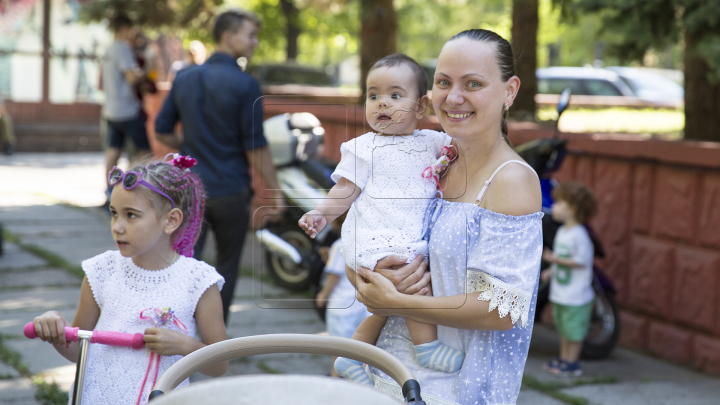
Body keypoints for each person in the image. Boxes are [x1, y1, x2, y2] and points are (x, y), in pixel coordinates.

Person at [344, 29, 544, 405]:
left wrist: (397, 303)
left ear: (509, 90)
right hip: (390, 372)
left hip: (457, 385)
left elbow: (502, 309)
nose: (453, 98)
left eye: (473, 83)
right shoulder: (434, 158)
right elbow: (366, 227)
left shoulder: (511, 181)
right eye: (443, 82)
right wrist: (367, 276)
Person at [299, 53, 464, 385]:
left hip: (404, 236)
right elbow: (345, 190)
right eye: (373, 95)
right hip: (375, 237)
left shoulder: (432, 142)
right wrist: (321, 213)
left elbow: (465, 150)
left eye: (395, 95)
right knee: (414, 287)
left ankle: (350, 356)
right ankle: (427, 346)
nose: (381, 103)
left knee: (387, 305)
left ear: (420, 107)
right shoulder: (365, 148)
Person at [31, 155, 228, 405]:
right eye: (114, 213)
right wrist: (56, 328)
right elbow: (79, 350)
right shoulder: (101, 271)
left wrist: (184, 345)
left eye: (131, 215)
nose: (117, 226)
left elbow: (220, 363)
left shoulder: (199, 281)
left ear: (171, 220)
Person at [155, 9, 285, 324]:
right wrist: (275, 191)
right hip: (230, 191)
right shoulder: (245, 84)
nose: (255, 42)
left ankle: (177, 330)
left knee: (184, 263)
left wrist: (190, 148)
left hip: (189, 192)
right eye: (250, 35)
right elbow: (255, 145)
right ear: (228, 36)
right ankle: (214, 342)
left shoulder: (184, 77)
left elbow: (161, 129)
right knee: (224, 268)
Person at [540, 182, 597, 377]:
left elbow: (582, 260)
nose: (553, 206)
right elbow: (562, 257)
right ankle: (564, 359)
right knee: (564, 330)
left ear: (572, 209)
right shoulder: (563, 233)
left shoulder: (579, 235)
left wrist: (555, 260)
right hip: (561, 294)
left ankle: (572, 363)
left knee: (574, 331)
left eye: (558, 203)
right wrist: (552, 270)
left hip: (576, 295)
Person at [102, 14, 152, 205]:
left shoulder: (108, 49)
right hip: (127, 110)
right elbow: (132, 78)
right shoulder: (122, 48)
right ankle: (125, 185)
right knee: (144, 152)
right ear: (124, 28)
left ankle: (109, 192)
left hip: (111, 110)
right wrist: (148, 69)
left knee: (113, 152)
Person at [314, 214, 372, 377]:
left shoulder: (339, 245)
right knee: (362, 351)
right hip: (361, 307)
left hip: (340, 309)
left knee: (338, 351)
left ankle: (335, 379)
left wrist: (323, 294)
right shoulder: (364, 244)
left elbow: (335, 274)